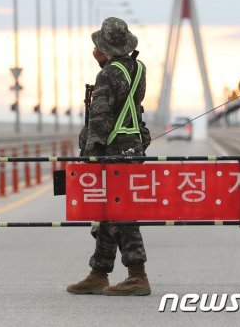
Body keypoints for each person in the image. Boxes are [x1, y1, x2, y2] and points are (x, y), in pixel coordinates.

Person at [70, 17, 152, 297]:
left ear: (102, 49)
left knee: (120, 211)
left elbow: (101, 116)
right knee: (109, 211)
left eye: (97, 47)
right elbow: (133, 108)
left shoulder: (107, 74)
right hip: (133, 148)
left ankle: (137, 275)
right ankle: (99, 272)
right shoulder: (138, 69)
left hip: (112, 152)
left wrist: (89, 156)